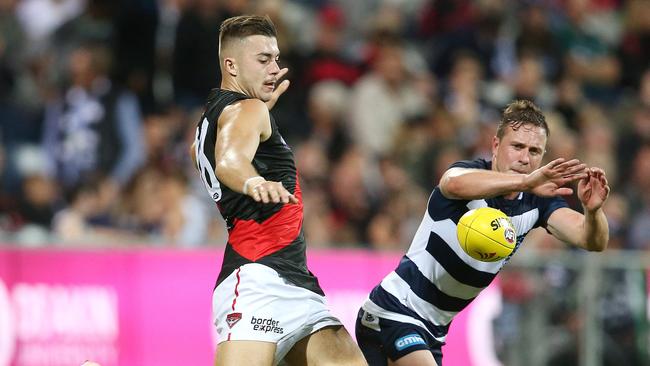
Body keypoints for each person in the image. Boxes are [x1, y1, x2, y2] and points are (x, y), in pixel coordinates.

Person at [355, 99, 610, 366]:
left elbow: (591, 240)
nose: (524, 158)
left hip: (433, 332)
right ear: (496, 146)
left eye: (535, 151)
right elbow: (450, 183)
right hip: (395, 309)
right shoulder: (470, 175)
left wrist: (593, 211)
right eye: (517, 146)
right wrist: (526, 181)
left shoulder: (537, 203)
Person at [189, 15, 366, 366]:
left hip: (296, 282)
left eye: (276, 58)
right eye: (263, 59)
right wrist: (253, 180)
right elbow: (229, 161)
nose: (274, 68)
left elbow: (232, 139)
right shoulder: (247, 110)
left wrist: (264, 111)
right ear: (231, 65)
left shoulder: (217, 116)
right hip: (258, 278)